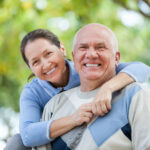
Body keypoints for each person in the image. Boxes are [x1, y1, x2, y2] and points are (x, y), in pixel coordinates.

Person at [4, 29, 150, 150]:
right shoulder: (33, 92)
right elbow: (28, 135)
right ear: (30, 68)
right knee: (17, 143)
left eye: (48, 54)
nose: (46, 64)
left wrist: (107, 88)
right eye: (36, 62)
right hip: (54, 135)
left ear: (62, 49)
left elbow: (141, 68)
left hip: (92, 129)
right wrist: (73, 119)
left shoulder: (87, 68)